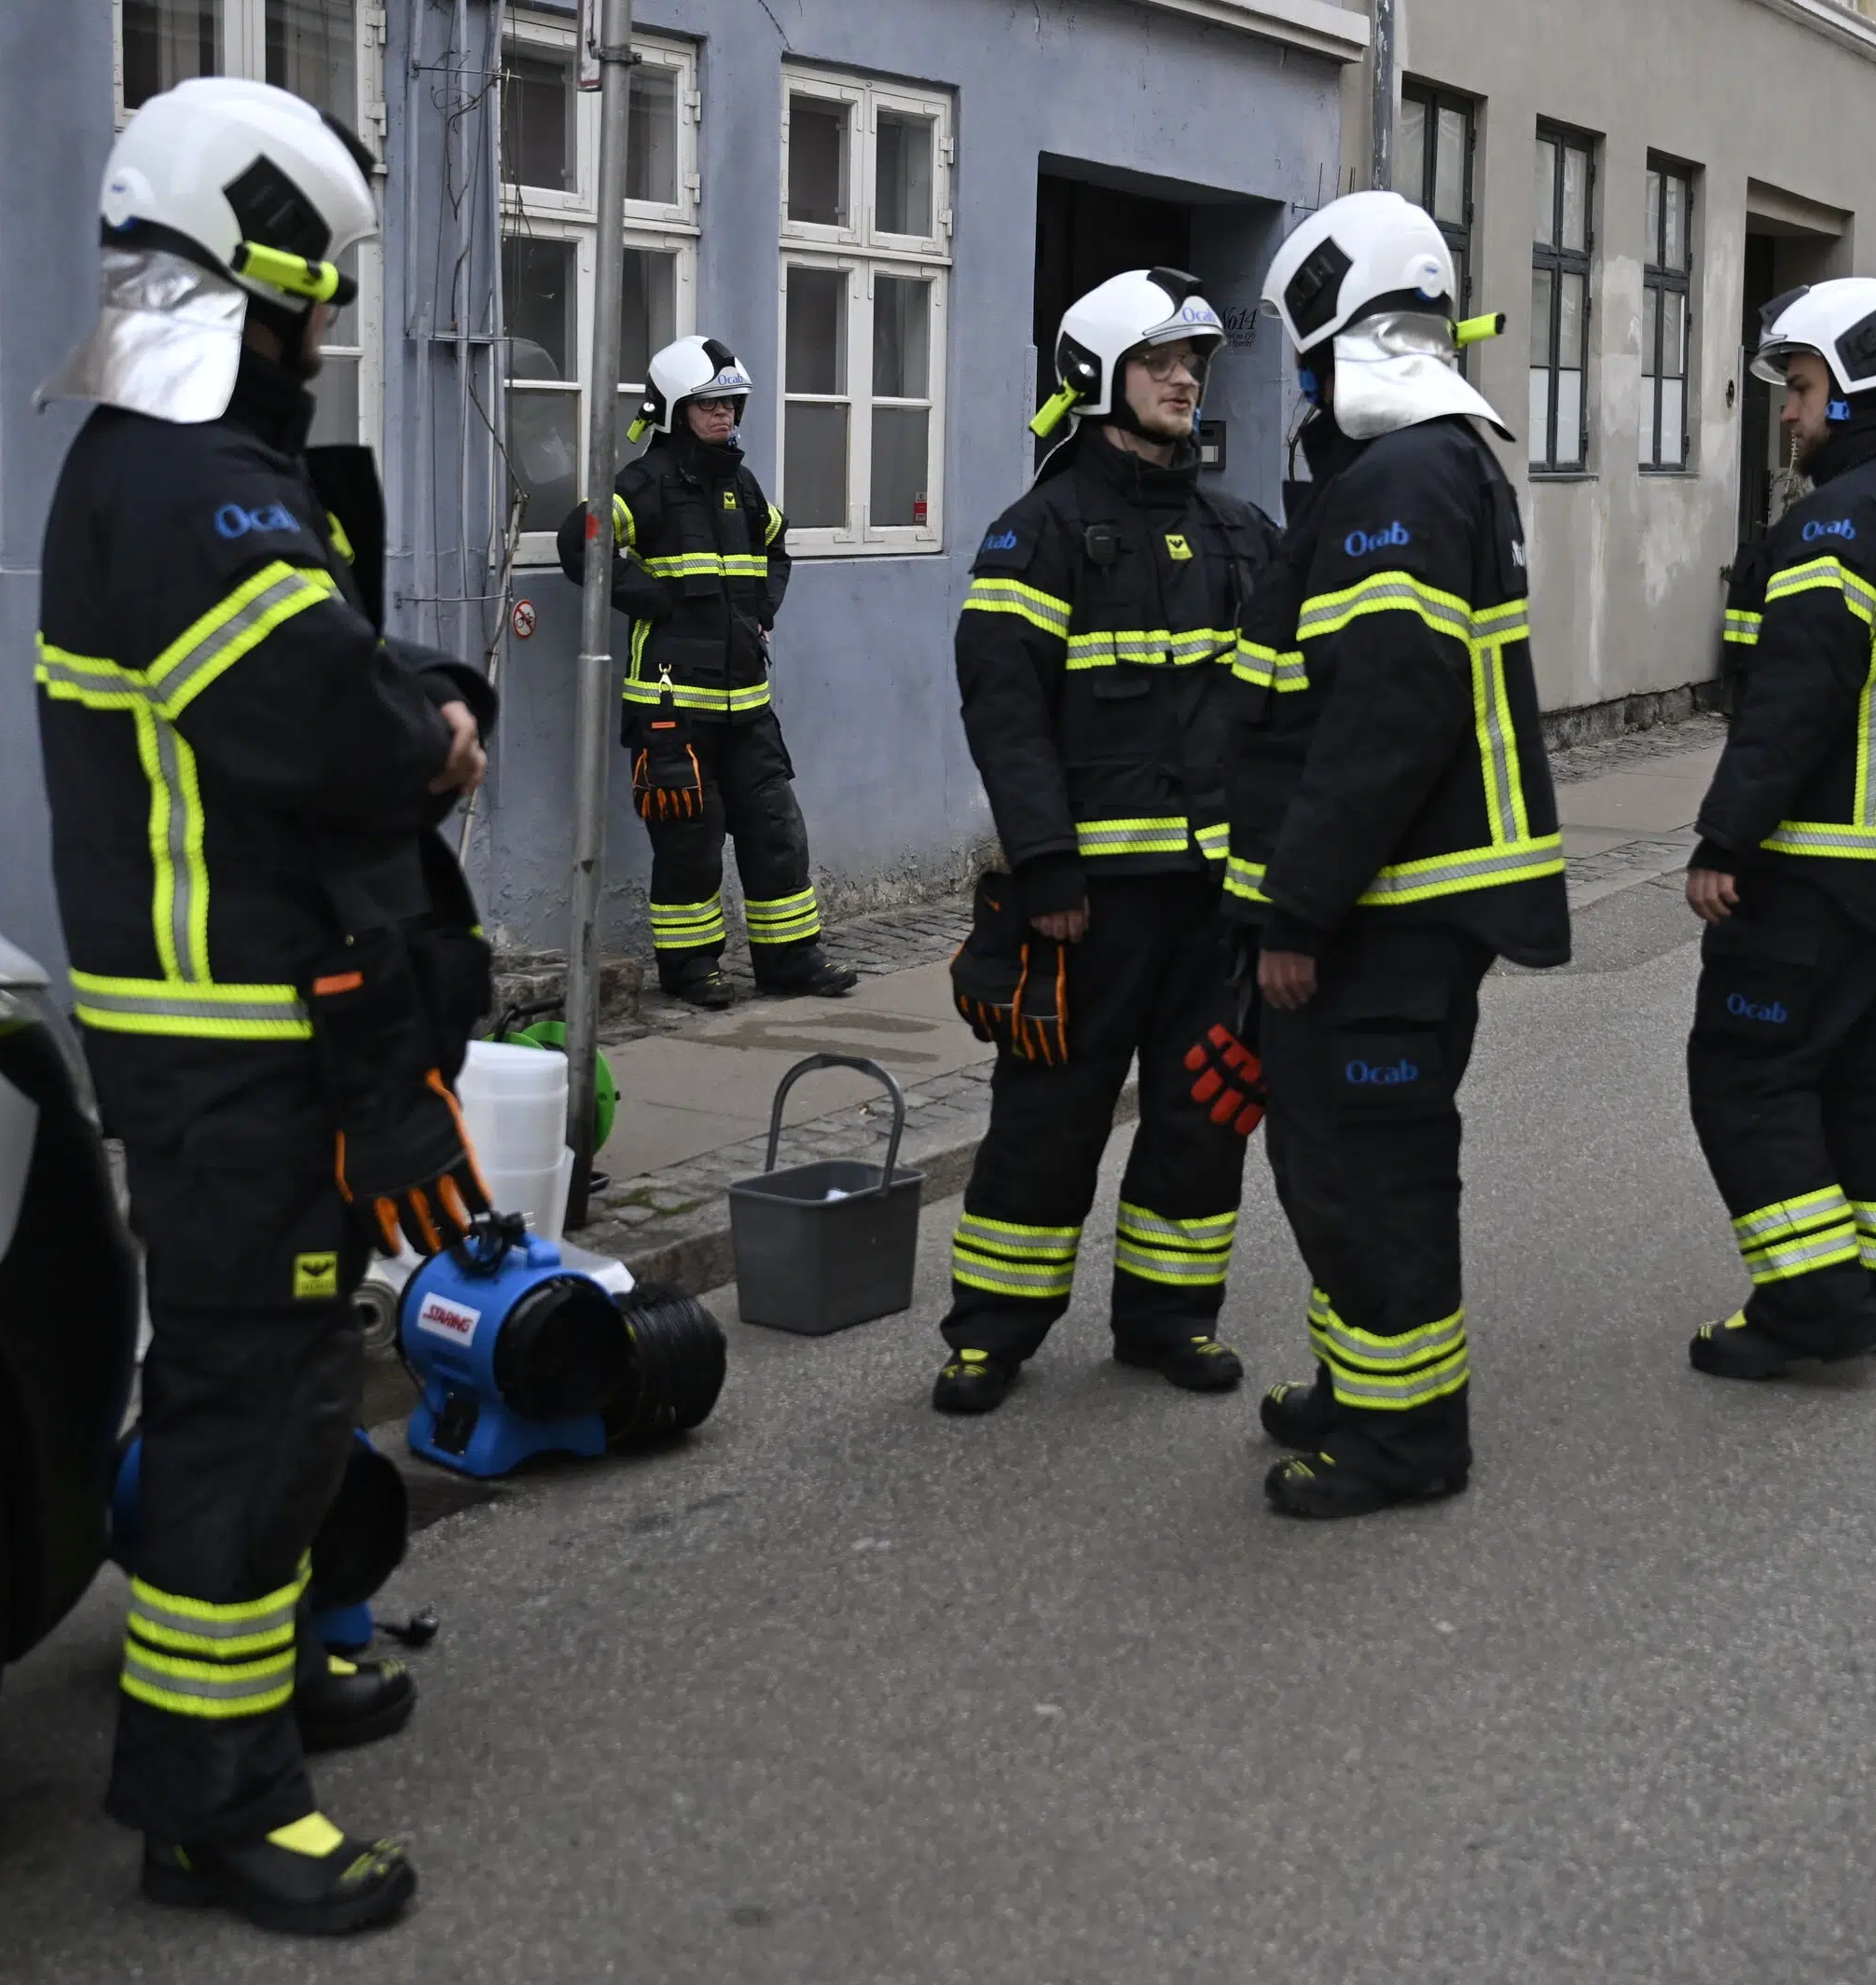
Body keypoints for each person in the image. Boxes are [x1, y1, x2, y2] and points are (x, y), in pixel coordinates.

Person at [37, 77, 502, 1936]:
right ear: (247, 282)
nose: (318, 339)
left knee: (280, 1383)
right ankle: (209, 1798)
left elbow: (324, 671)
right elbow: (328, 726)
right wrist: (438, 733)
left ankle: (256, 1688)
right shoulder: (190, 488)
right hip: (231, 1044)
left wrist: (406, 701)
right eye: (310, 303)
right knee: (253, 1398)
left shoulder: (167, 478)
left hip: (228, 1032)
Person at [1229, 192, 1568, 1520]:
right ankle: (1368, 1387)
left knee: (1372, 1173)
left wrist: (1299, 911)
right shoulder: (1425, 469)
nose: (1297, 376)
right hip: (1388, 911)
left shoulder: (1403, 482)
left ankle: (1407, 1442)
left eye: (1302, 348)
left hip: (1383, 920)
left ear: (1339, 331)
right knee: (1332, 1159)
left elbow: (1386, 720)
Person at [936, 270, 1278, 1414]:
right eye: (1160, 361)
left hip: (1213, 900)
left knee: (1201, 1114)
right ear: (1098, 376)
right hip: (1087, 903)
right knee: (1045, 1122)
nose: (1186, 378)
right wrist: (1044, 866)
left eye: (1195, 362)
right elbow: (1005, 713)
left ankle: (1169, 1319)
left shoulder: (1242, 535)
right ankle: (991, 1332)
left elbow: (1289, 704)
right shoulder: (1031, 536)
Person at [1678, 277, 1876, 1380]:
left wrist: (1726, 840)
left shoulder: (1832, 522)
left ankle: (1812, 1304)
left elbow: (1794, 699)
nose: (1790, 413)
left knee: (1745, 1075)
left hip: (1815, 878)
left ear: (1859, 390)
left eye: (1802, 387)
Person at [565, 336, 857, 1007]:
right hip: (671, 710)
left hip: (747, 705)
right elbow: (581, 542)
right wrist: (654, 600)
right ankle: (692, 972)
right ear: (673, 410)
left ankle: (790, 963)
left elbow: (777, 543)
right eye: (708, 405)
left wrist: (762, 609)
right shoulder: (643, 485)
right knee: (689, 845)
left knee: (776, 832)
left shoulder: (741, 487)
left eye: (730, 404)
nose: (724, 416)